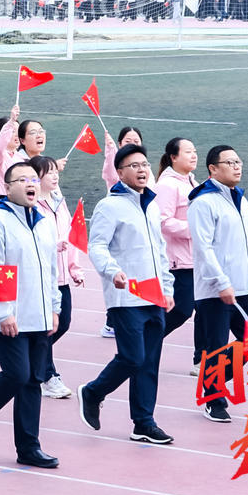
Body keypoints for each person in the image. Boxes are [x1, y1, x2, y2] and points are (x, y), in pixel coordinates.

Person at [0, 160, 62, 469]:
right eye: (22, 180)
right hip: (8, 317)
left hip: (39, 314)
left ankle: (29, 447)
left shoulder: (44, 221)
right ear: (7, 188)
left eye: (33, 178)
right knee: (17, 373)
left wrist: (54, 307)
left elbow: (51, 269)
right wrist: (3, 312)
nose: (31, 184)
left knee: (33, 380)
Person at [78, 143, 176, 444]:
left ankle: (143, 423)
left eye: (144, 164)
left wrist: (167, 287)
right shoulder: (110, 206)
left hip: (154, 295)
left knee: (149, 362)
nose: (142, 170)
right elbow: (97, 245)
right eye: (134, 166)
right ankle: (93, 391)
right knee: (133, 357)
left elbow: (160, 250)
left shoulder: (152, 205)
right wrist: (112, 271)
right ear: (120, 173)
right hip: (126, 296)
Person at [187, 144, 248, 424]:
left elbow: (246, 243)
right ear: (213, 168)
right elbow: (203, 248)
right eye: (230, 162)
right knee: (217, 347)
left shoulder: (241, 200)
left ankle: (212, 382)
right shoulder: (203, 202)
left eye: (238, 161)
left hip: (244, 287)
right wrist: (221, 282)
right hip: (214, 290)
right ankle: (214, 400)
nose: (236, 166)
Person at [28, 154, 85, 400]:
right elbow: (31, 242)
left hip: (61, 278)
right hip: (42, 278)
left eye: (55, 171)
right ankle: (48, 375)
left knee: (63, 323)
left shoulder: (59, 202)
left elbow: (71, 235)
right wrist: (53, 246)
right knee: (47, 329)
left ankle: (36, 361)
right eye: (48, 172)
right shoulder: (31, 206)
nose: (54, 176)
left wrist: (74, 268)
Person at [153, 137, 198, 351]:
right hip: (178, 260)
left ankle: (201, 357)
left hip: (195, 258)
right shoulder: (167, 185)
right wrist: (195, 230)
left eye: (194, 151)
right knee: (181, 309)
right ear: (173, 157)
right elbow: (162, 222)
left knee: (205, 309)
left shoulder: (192, 182)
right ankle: (147, 339)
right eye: (188, 152)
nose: (193, 155)